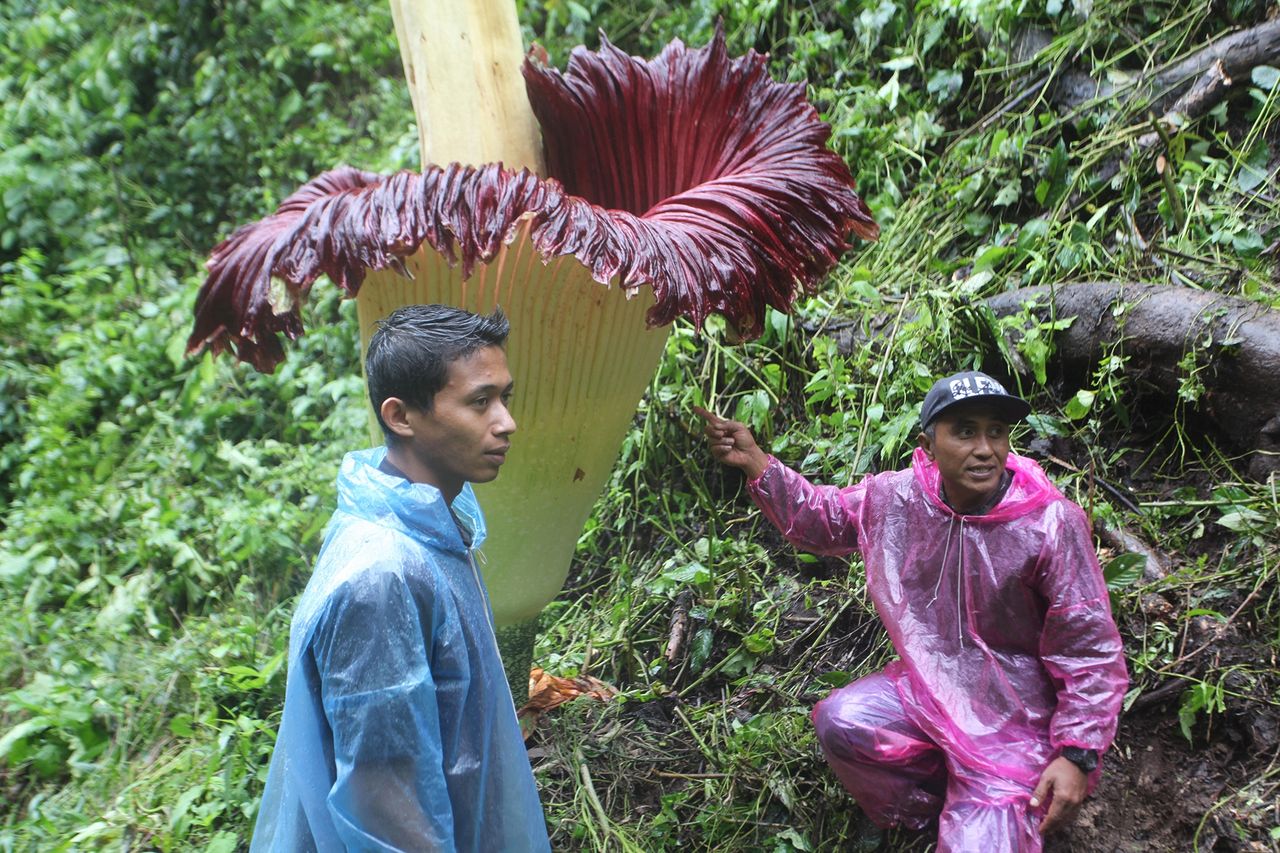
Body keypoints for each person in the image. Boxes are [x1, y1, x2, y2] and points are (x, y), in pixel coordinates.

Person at [696, 371, 1127, 852]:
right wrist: (755, 461)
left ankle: (993, 802)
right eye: (965, 431)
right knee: (843, 721)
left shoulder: (1049, 523)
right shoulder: (898, 497)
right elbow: (821, 520)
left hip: (1021, 721)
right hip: (931, 690)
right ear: (928, 442)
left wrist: (1077, 753)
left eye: (996, 431)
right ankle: (922, 816)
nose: (985, 448)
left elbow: (1089, 648)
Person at [251, 304, 551, 852]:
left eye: (505, 398)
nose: (507, 421)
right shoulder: (382, 574)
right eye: (480, 402)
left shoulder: (430, 528)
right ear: (401, 415)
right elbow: (381, 799)